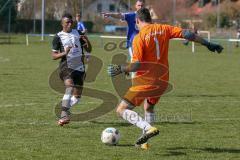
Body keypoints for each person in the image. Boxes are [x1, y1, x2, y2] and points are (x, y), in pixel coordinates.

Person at [107, 8, 223, 149]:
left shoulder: (139, 37)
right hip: (163, 80)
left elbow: (136, 65)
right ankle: (145, 143)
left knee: (121, 110)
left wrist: (121, 68)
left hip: (145, 80)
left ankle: (148, 128)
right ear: (150, 18)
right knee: (148, 107)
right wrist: (208, 44)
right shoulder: (164, 28)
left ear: (137, 20)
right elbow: (187, 34)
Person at [51, 13, 92, 126]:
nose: (69, 24)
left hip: (79, 67)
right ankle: (64, 114)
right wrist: (65, 52)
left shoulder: (78, 33)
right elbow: (53, 56)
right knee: (70, 86)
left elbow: (89, 49)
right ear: (62, 24)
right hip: (66, 66)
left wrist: (87, 40)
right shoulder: (58, 37)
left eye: (71, 22)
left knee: (77, 97)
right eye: (67, 22)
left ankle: (64, 108)